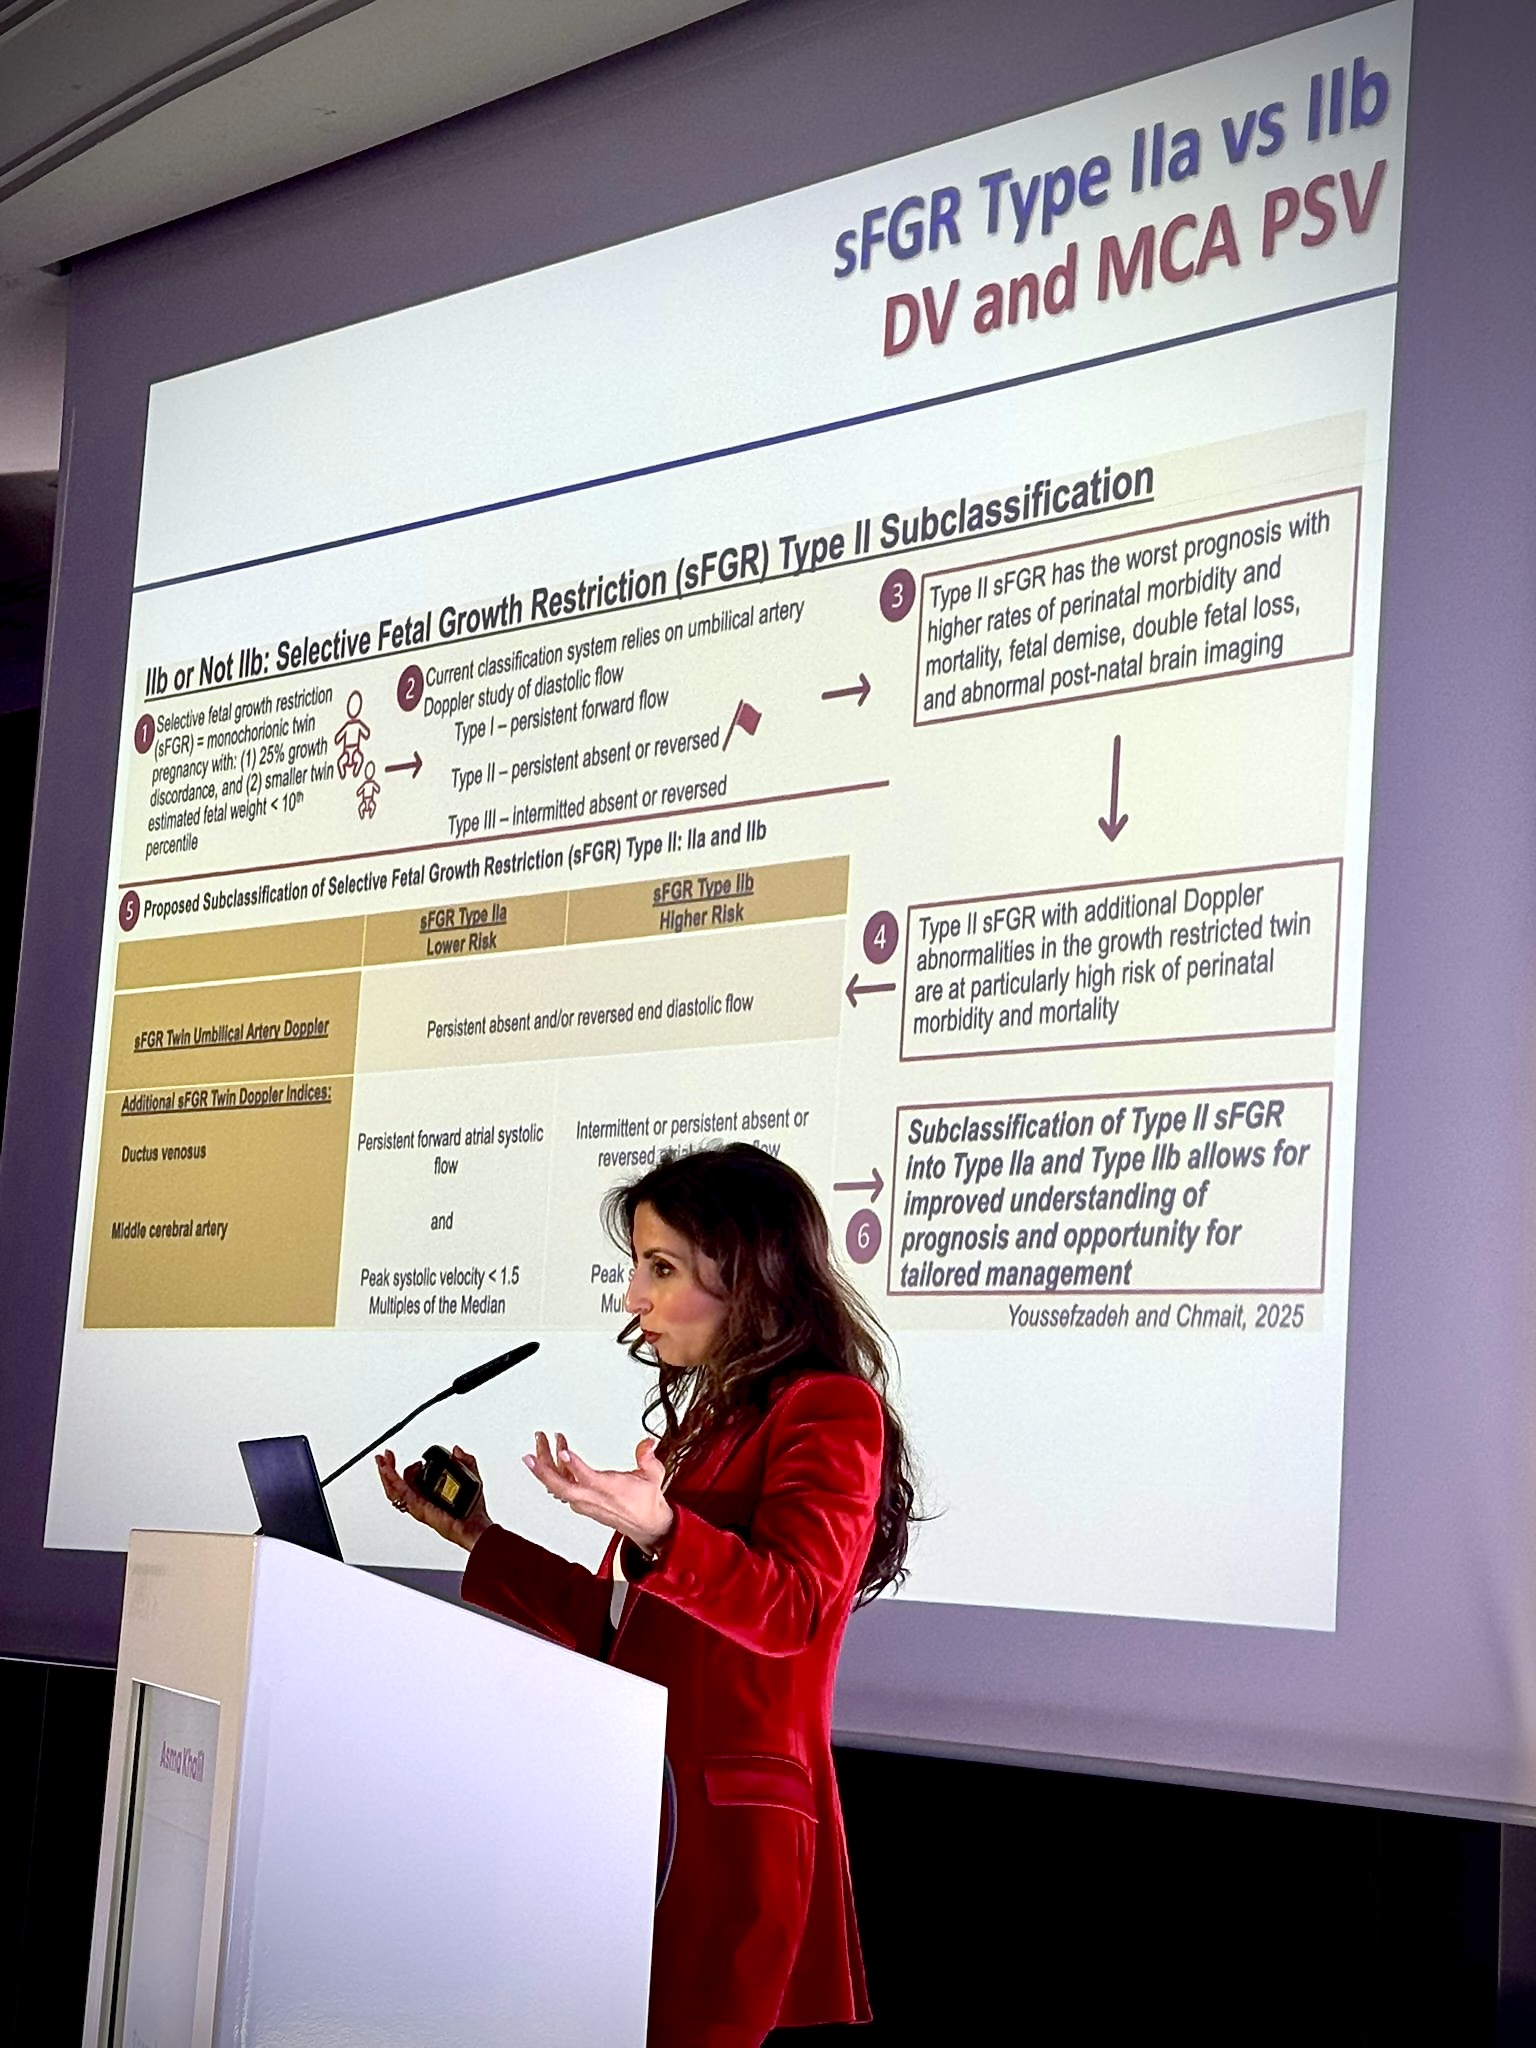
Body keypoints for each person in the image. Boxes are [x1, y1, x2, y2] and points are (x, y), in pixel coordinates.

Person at [377, 1142, 917, 2048]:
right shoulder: (708, 1427)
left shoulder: (829, 1408)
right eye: (637, 1267)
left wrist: (664, 1532)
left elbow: (795, 1608)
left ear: (749, 1270)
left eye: (660, 1268)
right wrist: (477, 1536)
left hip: (724, 1838)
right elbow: (618, 1631)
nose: (634, 1298)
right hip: (633, 1814)